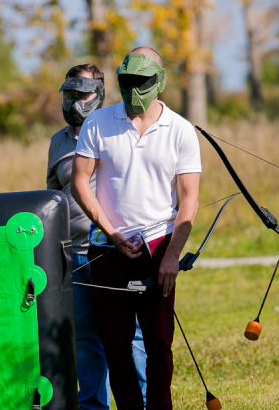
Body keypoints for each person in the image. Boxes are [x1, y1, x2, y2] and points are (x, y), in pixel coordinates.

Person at [71, 47, 201, 410]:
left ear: (159, 81)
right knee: (115, 343)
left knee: (159, 344)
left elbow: (189, 198)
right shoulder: (98, 123)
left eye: (142, 82)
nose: (134, 89)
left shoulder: (180, 130)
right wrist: (110, 230)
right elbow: (80, 181)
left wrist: (171, 256)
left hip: (158, 248)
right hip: (107, 248)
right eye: (126, 82)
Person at [47, 64, 147, 410]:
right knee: (86, 338)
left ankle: (142, 402)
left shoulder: (112, 129)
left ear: (100, 95)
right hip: (73, 254)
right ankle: (93, 406)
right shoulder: (57, 142)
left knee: (128, 334)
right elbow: (52, 199)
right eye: (69, 94)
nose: (74, 101)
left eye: (82, 94)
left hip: (112, 250)